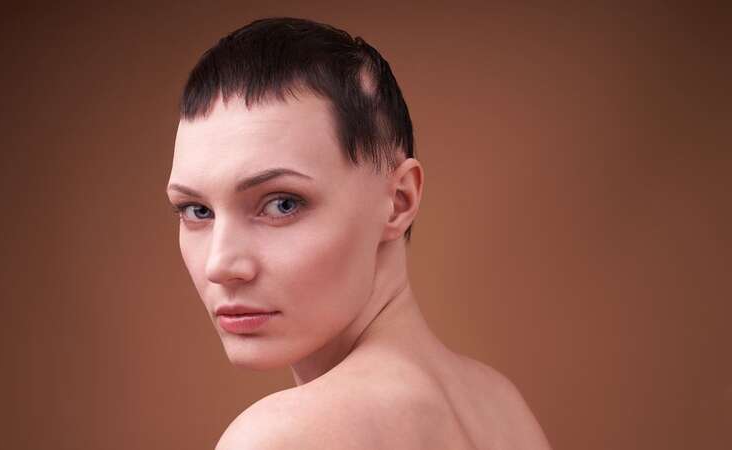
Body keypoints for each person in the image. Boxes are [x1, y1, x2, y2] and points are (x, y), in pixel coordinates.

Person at [166, 17, 551, 450]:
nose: (220, 264)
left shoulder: (280, 437)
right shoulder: (499, 404)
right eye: (196, 210)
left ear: (399, 200)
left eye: (282, 204)